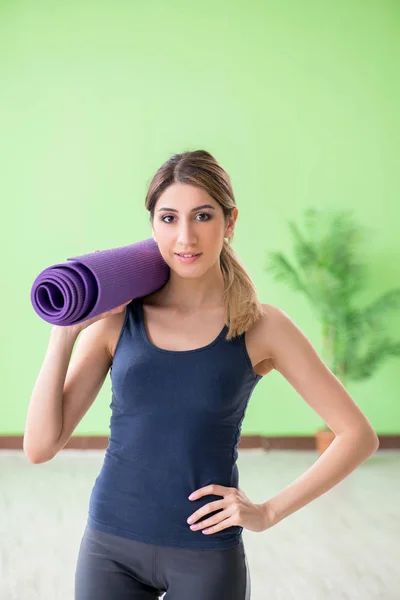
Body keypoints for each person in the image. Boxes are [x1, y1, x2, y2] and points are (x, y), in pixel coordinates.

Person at [24, 149, 379, 599]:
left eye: (203, 216)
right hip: (109, 547)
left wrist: (268, 512)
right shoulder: (118, 319)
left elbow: (358, 435)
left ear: (229, 223)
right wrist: (64, 334)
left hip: (205, 557)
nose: (185, 236)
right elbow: (39, 447)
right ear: (152, 225)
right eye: (169, 218)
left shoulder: (262, 326)